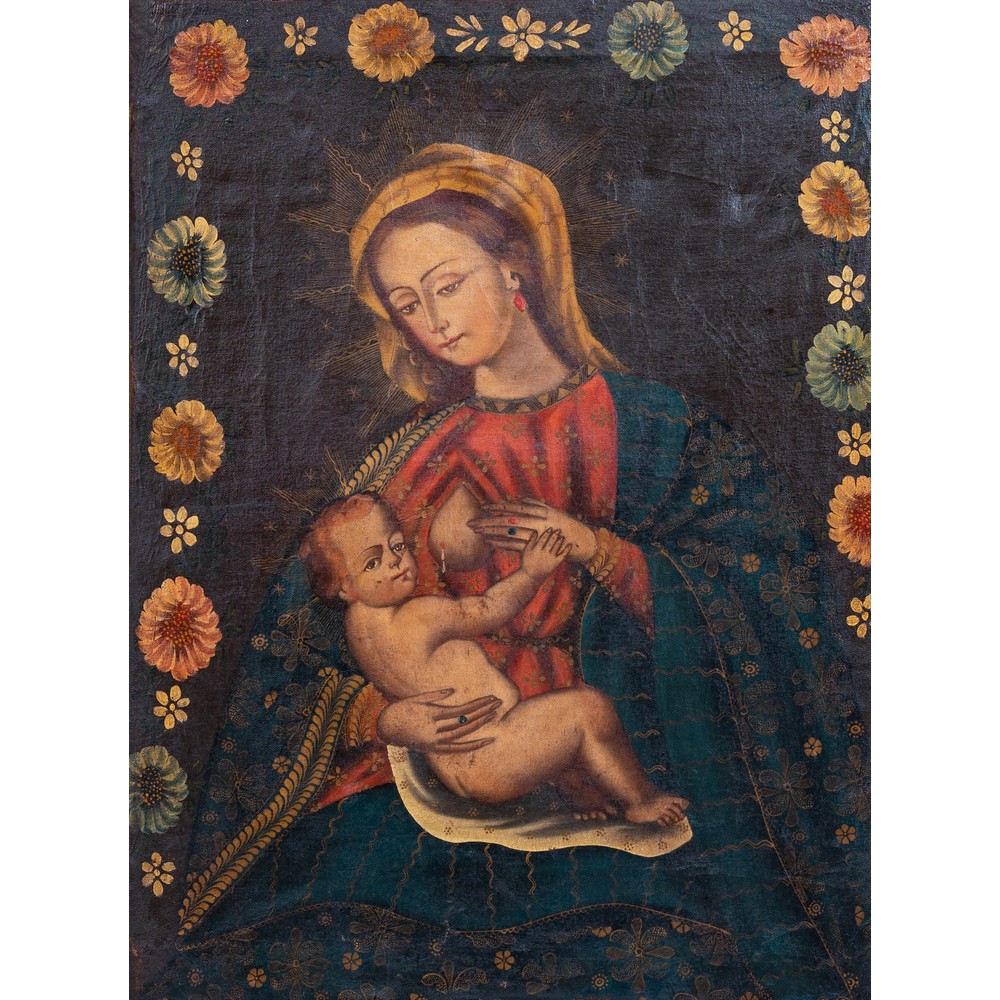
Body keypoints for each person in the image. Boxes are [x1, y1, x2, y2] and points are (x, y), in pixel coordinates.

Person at [179, 144, 865, 999]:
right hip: (430, 774)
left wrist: (600, 551)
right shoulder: (403, 461)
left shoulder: (660, 427)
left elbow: (774, 592)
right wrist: (383, 716)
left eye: (447, 284)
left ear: (515, 269)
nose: (432, 320)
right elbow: (288, 662)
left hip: (626, 755)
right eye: (406, 304)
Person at [299, 492, 689, 826]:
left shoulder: (359, 627)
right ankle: (642, 802)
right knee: (591, 710)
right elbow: (488, 609)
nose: (394, 562)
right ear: (345, 587)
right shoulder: (416, 617)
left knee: (547, 725)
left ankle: (574, 786)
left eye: (397, 546)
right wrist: (532, 571)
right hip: (492, 750)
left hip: (456, 766)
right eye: (372, 562)